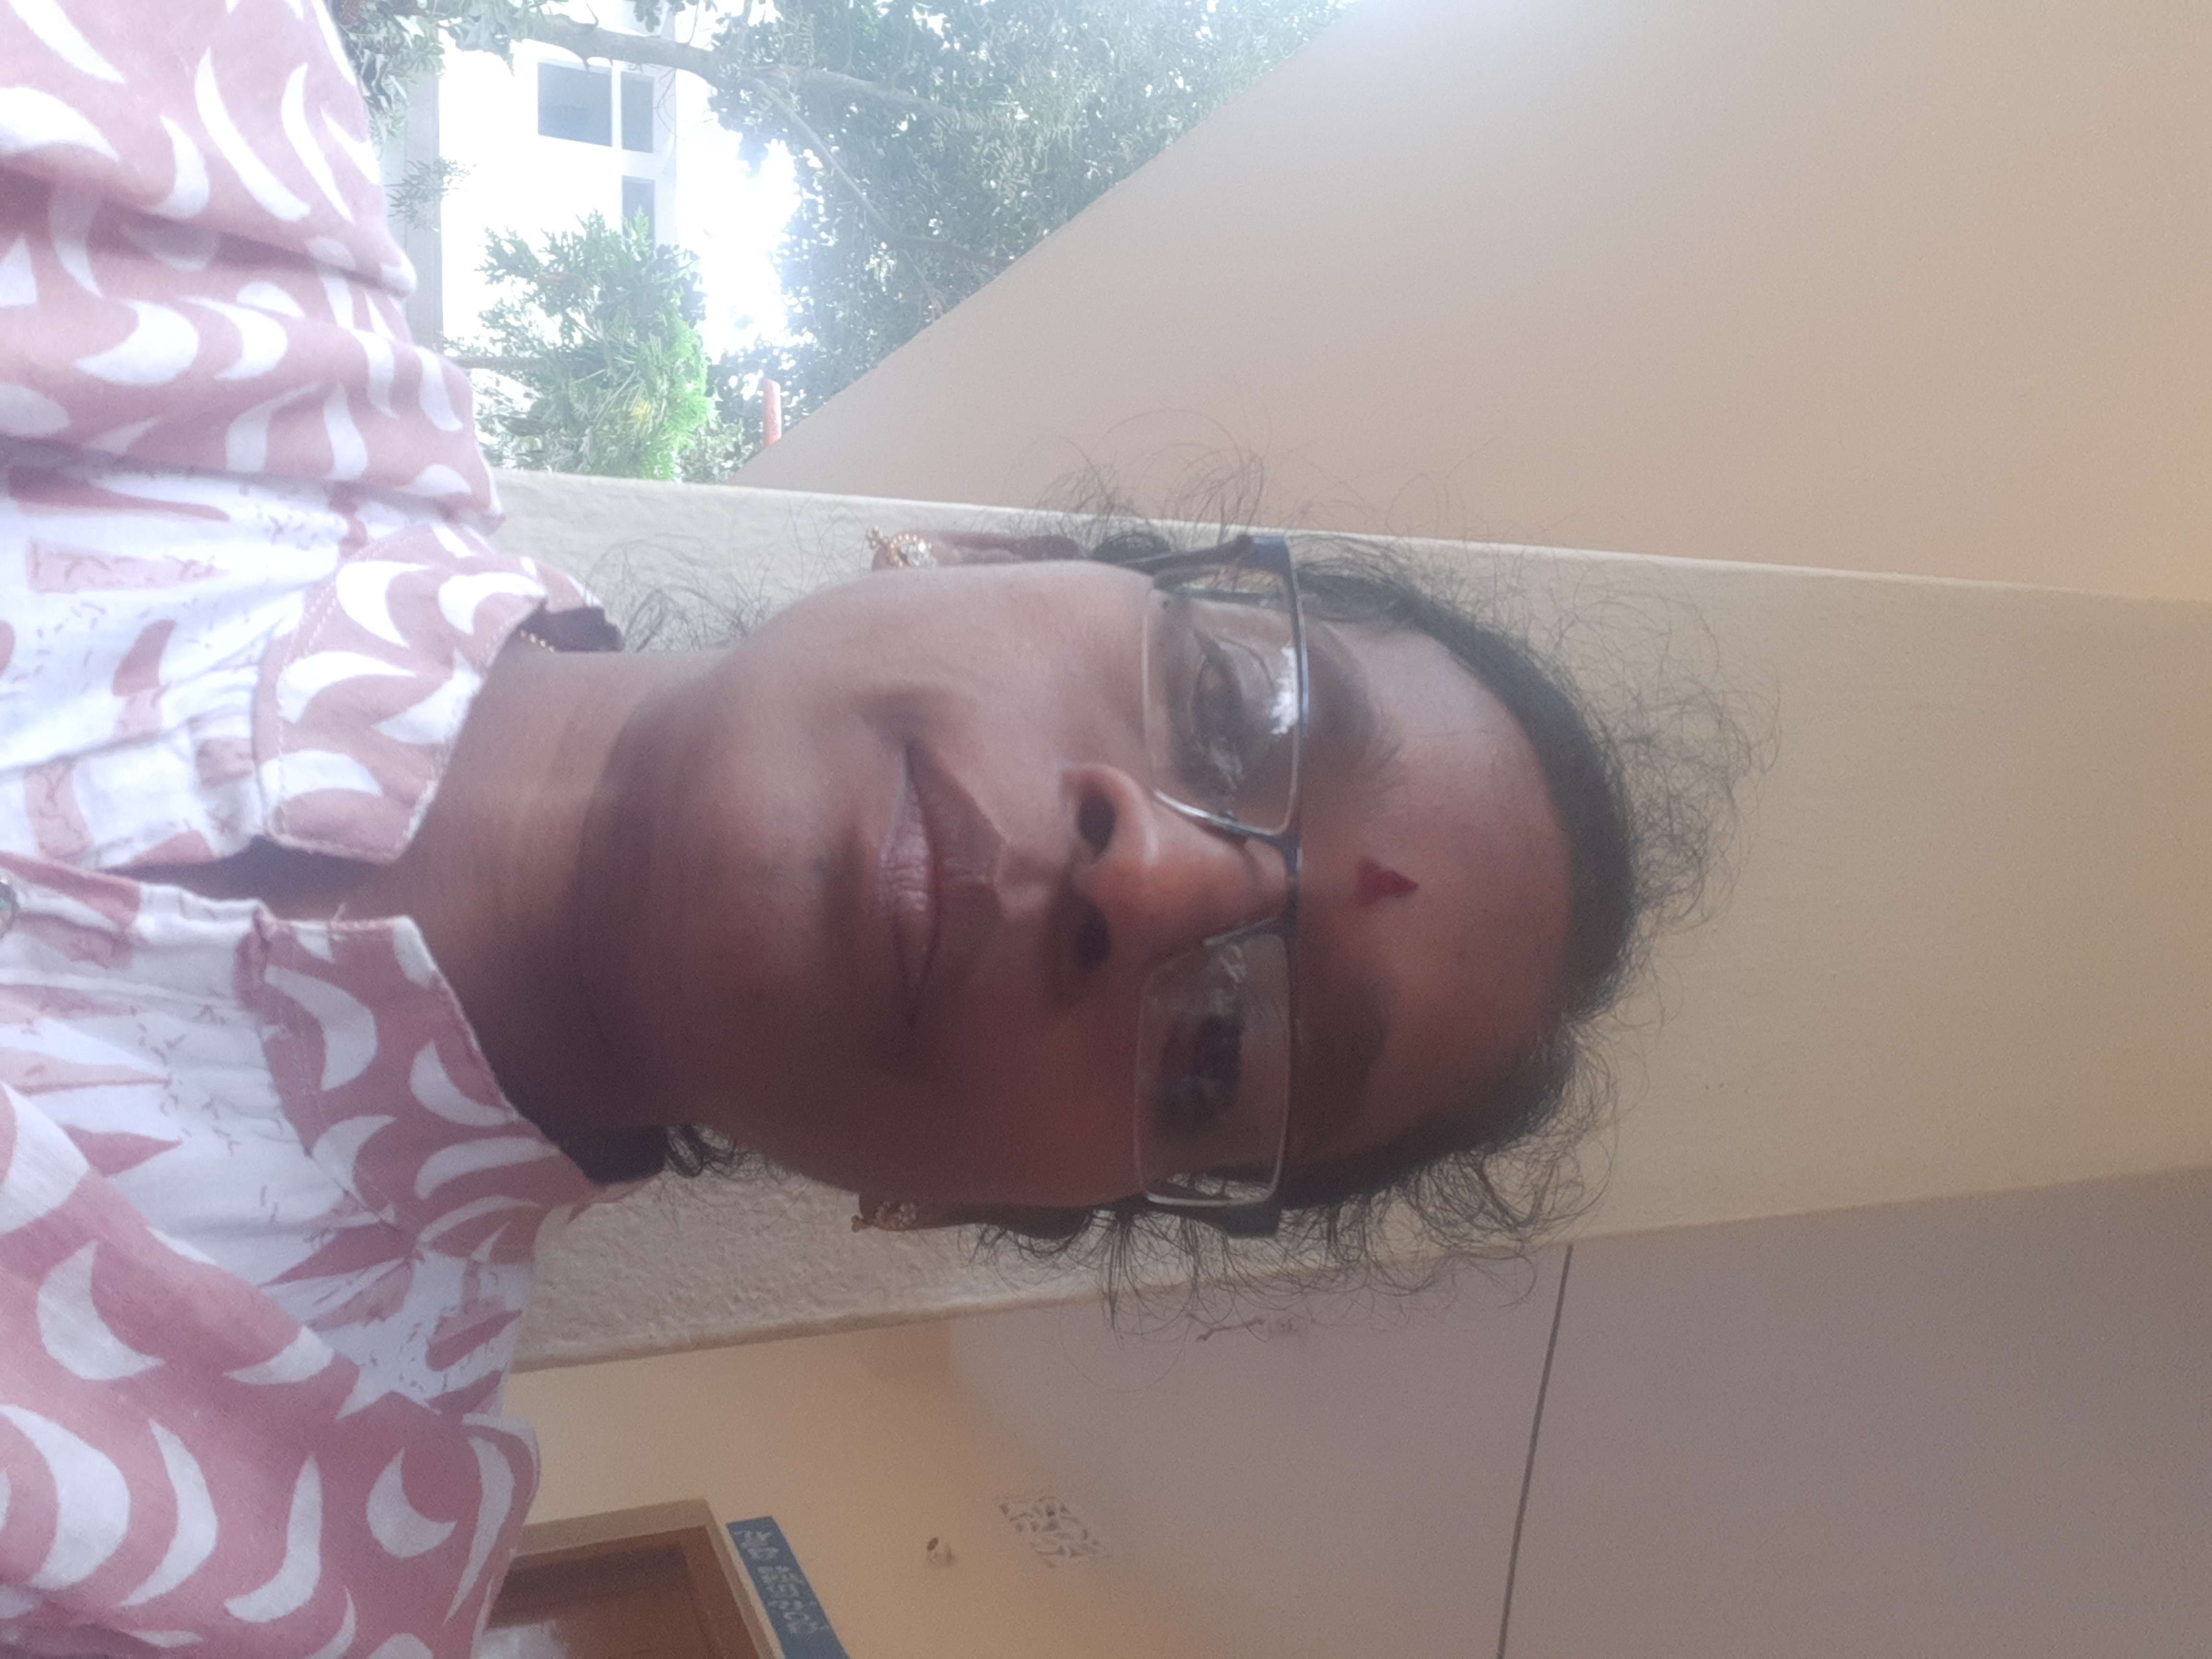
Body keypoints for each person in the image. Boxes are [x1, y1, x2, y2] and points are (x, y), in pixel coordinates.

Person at [0, 1, 1702, 1653]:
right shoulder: (174, 148)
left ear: (968, 1212)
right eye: (1233, 710)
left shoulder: (260, 1582)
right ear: (984, 553)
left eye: (1224, 1059)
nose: (1153, 875)